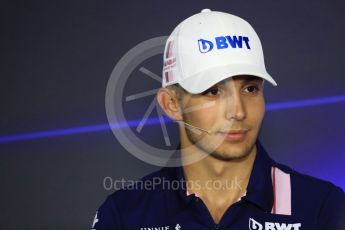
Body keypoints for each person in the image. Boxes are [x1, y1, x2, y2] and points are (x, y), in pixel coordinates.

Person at [92, 9, 344, 230]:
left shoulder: (323, 208)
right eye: (213, 91)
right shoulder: (124, 215)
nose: (239, 112)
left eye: (250, 89)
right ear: (171, 104)